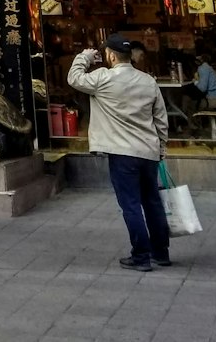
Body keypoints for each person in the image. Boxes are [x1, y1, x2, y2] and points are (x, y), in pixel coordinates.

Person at [68, 33, 170, 271]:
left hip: (122, 154)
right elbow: (161, 119)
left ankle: (141, 256)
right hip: (148, 152)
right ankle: (161, 252)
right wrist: (161, 147)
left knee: (131, 205)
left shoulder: (102, 78)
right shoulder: (148, 81)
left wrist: (84, 57)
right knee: (152, 202)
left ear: (111, 56)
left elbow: (74, 78)